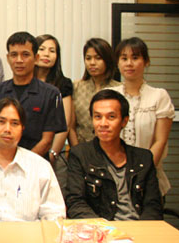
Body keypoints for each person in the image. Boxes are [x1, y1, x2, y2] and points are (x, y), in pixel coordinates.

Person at [65, 89, 162, 220]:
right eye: (98, 117)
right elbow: (75, 202)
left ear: (124, 121)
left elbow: (153, 206)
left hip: (140, 227)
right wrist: (102, 227)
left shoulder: (143, 158)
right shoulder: (80, 155)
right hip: (100, 228)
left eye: (111, 117)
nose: (103, 124)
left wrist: (143, 229)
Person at [111, 37, 175, 195]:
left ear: (146, 61)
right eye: (124, 58)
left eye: (135, 58)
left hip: (149, 178)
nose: (129, 63)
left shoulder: (159, 96)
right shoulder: (110, 95)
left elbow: (160, 141)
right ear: (118, 63)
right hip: (113, 179)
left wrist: (141, 174)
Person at [0, 32, 66, 157]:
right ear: (8, 58)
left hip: (36, 162)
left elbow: (47, 140)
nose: (19, 60)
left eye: (25, 55)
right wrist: (3, 158)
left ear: (36, 58)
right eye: (14, 55)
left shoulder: (51, 94)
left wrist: (23, 162)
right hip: (0, 161)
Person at [69, 38, 120, 146]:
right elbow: (71, 127)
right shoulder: (76, 87)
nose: (92, 63)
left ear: (107, 60)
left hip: (112, 148)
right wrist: (77, 151)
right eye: (88, 58)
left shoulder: (119, 89)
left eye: (98, 58)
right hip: (81, 147)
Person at [34, 34, 73, 164]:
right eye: (41, 49)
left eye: (52, 51)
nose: (46, 54)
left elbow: (65, 123)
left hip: (53, 150)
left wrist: (53, 153)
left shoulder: (63, 84)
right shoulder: (25, 83)